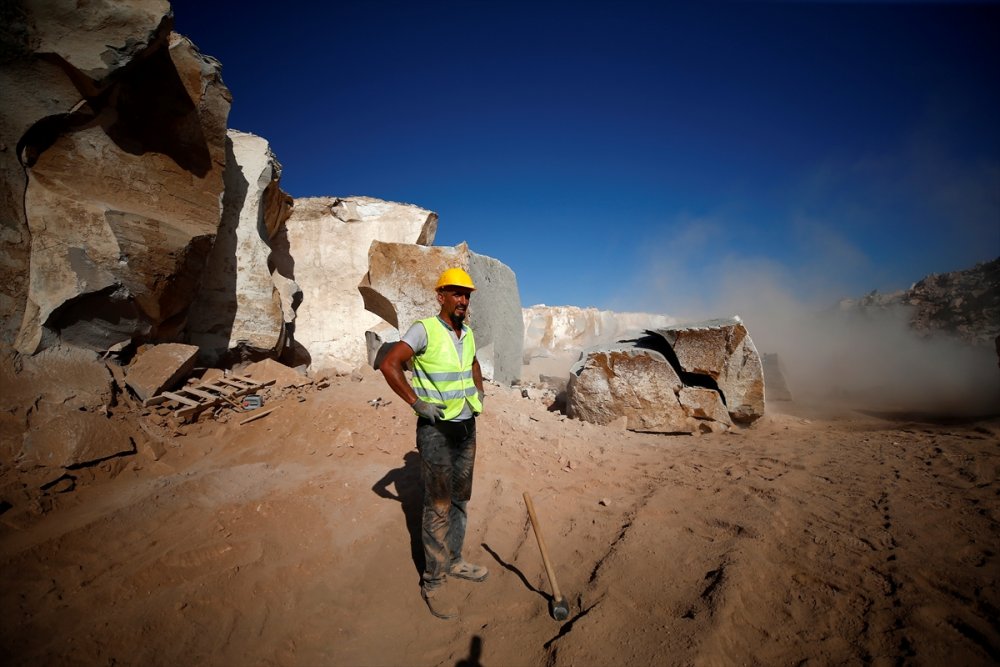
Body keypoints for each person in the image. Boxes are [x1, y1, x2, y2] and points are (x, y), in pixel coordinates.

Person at [379, 267, 489, 619]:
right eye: (456, 293)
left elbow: (472, 363)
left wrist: (479, 392)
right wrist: (415, 402)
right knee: (438, 504)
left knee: (460, 500)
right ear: (440, 295)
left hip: (466, 427)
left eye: (467, 294)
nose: (463, 300)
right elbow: (389, 363)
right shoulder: (424, 329)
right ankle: (434, 580)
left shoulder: (467, 333)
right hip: (436, 431)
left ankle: (454, 561)